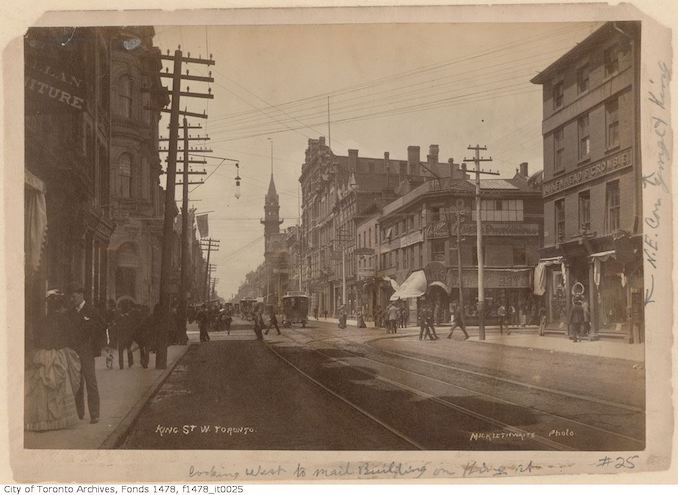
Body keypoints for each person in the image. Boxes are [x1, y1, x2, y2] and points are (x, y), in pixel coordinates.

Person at [25, 290, 82, 432]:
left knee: (42, 389)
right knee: (60, 388)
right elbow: (70, 337)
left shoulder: (42, 320)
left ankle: (43, 421)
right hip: (57, 355)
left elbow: (37, 339)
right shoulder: (64, 319)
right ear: (59, 305)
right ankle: (58, 420)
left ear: (49, 305)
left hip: (43, 355)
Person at [69, 286, 106, 424]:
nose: (72, 299)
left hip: (87, 351)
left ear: (81, 295)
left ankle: (94, 414)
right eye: (71, 297)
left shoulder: (92, 311)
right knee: (77, 382)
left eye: (74, 296)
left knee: (91, 382)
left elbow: (103, 327)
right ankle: (80, 413)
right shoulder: (71, 312)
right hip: (74, 351)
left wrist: (95, 347)